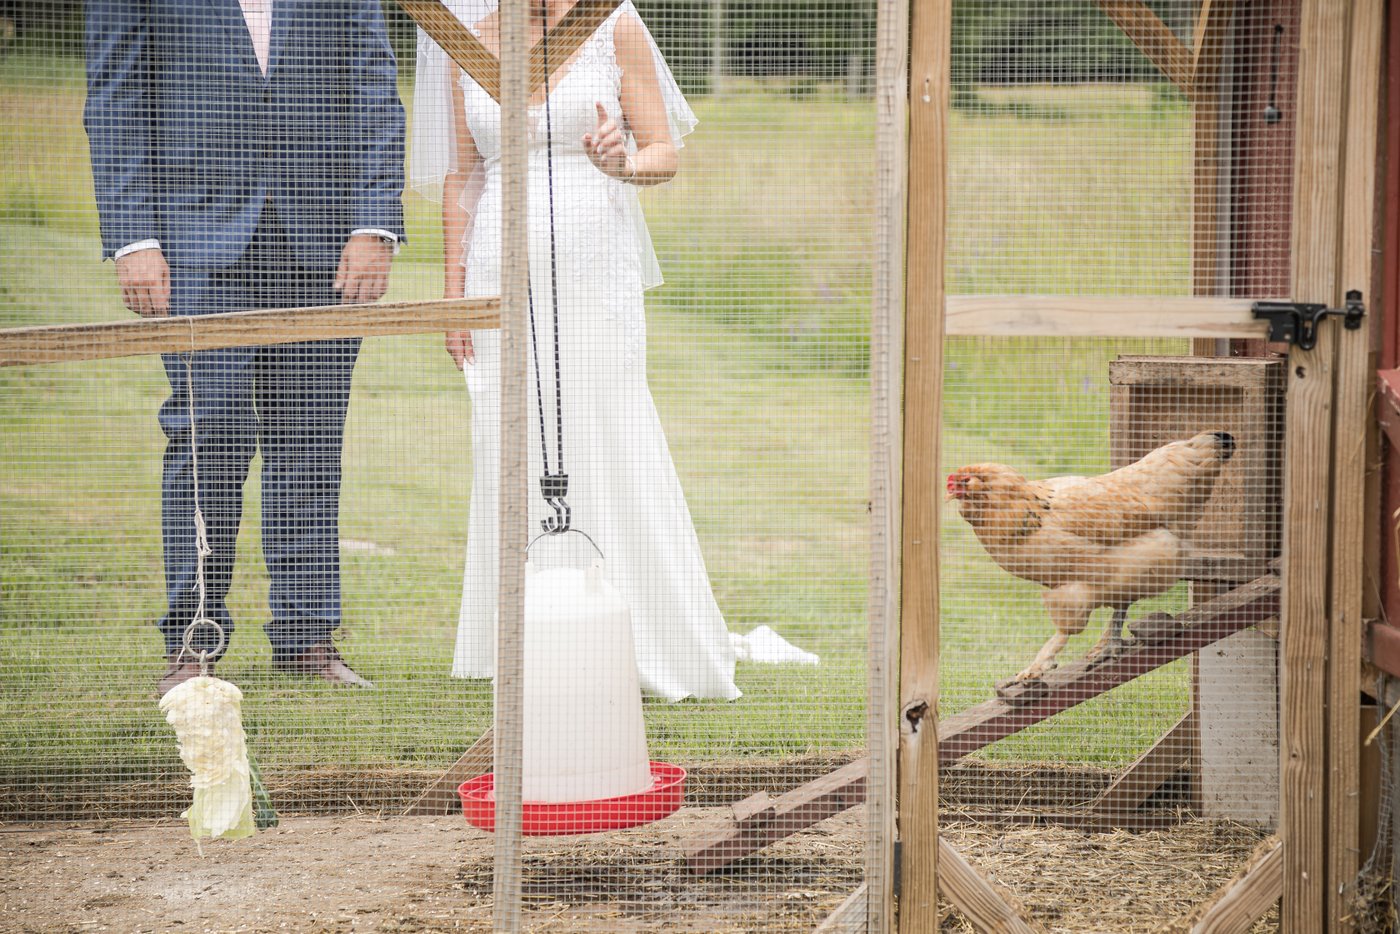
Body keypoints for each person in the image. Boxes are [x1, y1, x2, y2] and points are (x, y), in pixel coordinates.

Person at [414, 0, 741, 701]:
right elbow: (461, 179)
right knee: (511, 438)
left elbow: (665, 152)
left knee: (604, 424)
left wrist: (624, 161)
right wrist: (454, 294)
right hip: (499, 264)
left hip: (595, 261)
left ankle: (630, 626)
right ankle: (525, 633)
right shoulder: (463, 45)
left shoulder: (611, 25)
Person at [84, 0, 406, 695]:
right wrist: (134, 238)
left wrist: (376, 222)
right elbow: (113, 92)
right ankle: (193, 643)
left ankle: (306, 640)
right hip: (196, 238)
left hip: (323, 239)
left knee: (312, 441)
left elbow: (376, 84)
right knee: (207, 438)